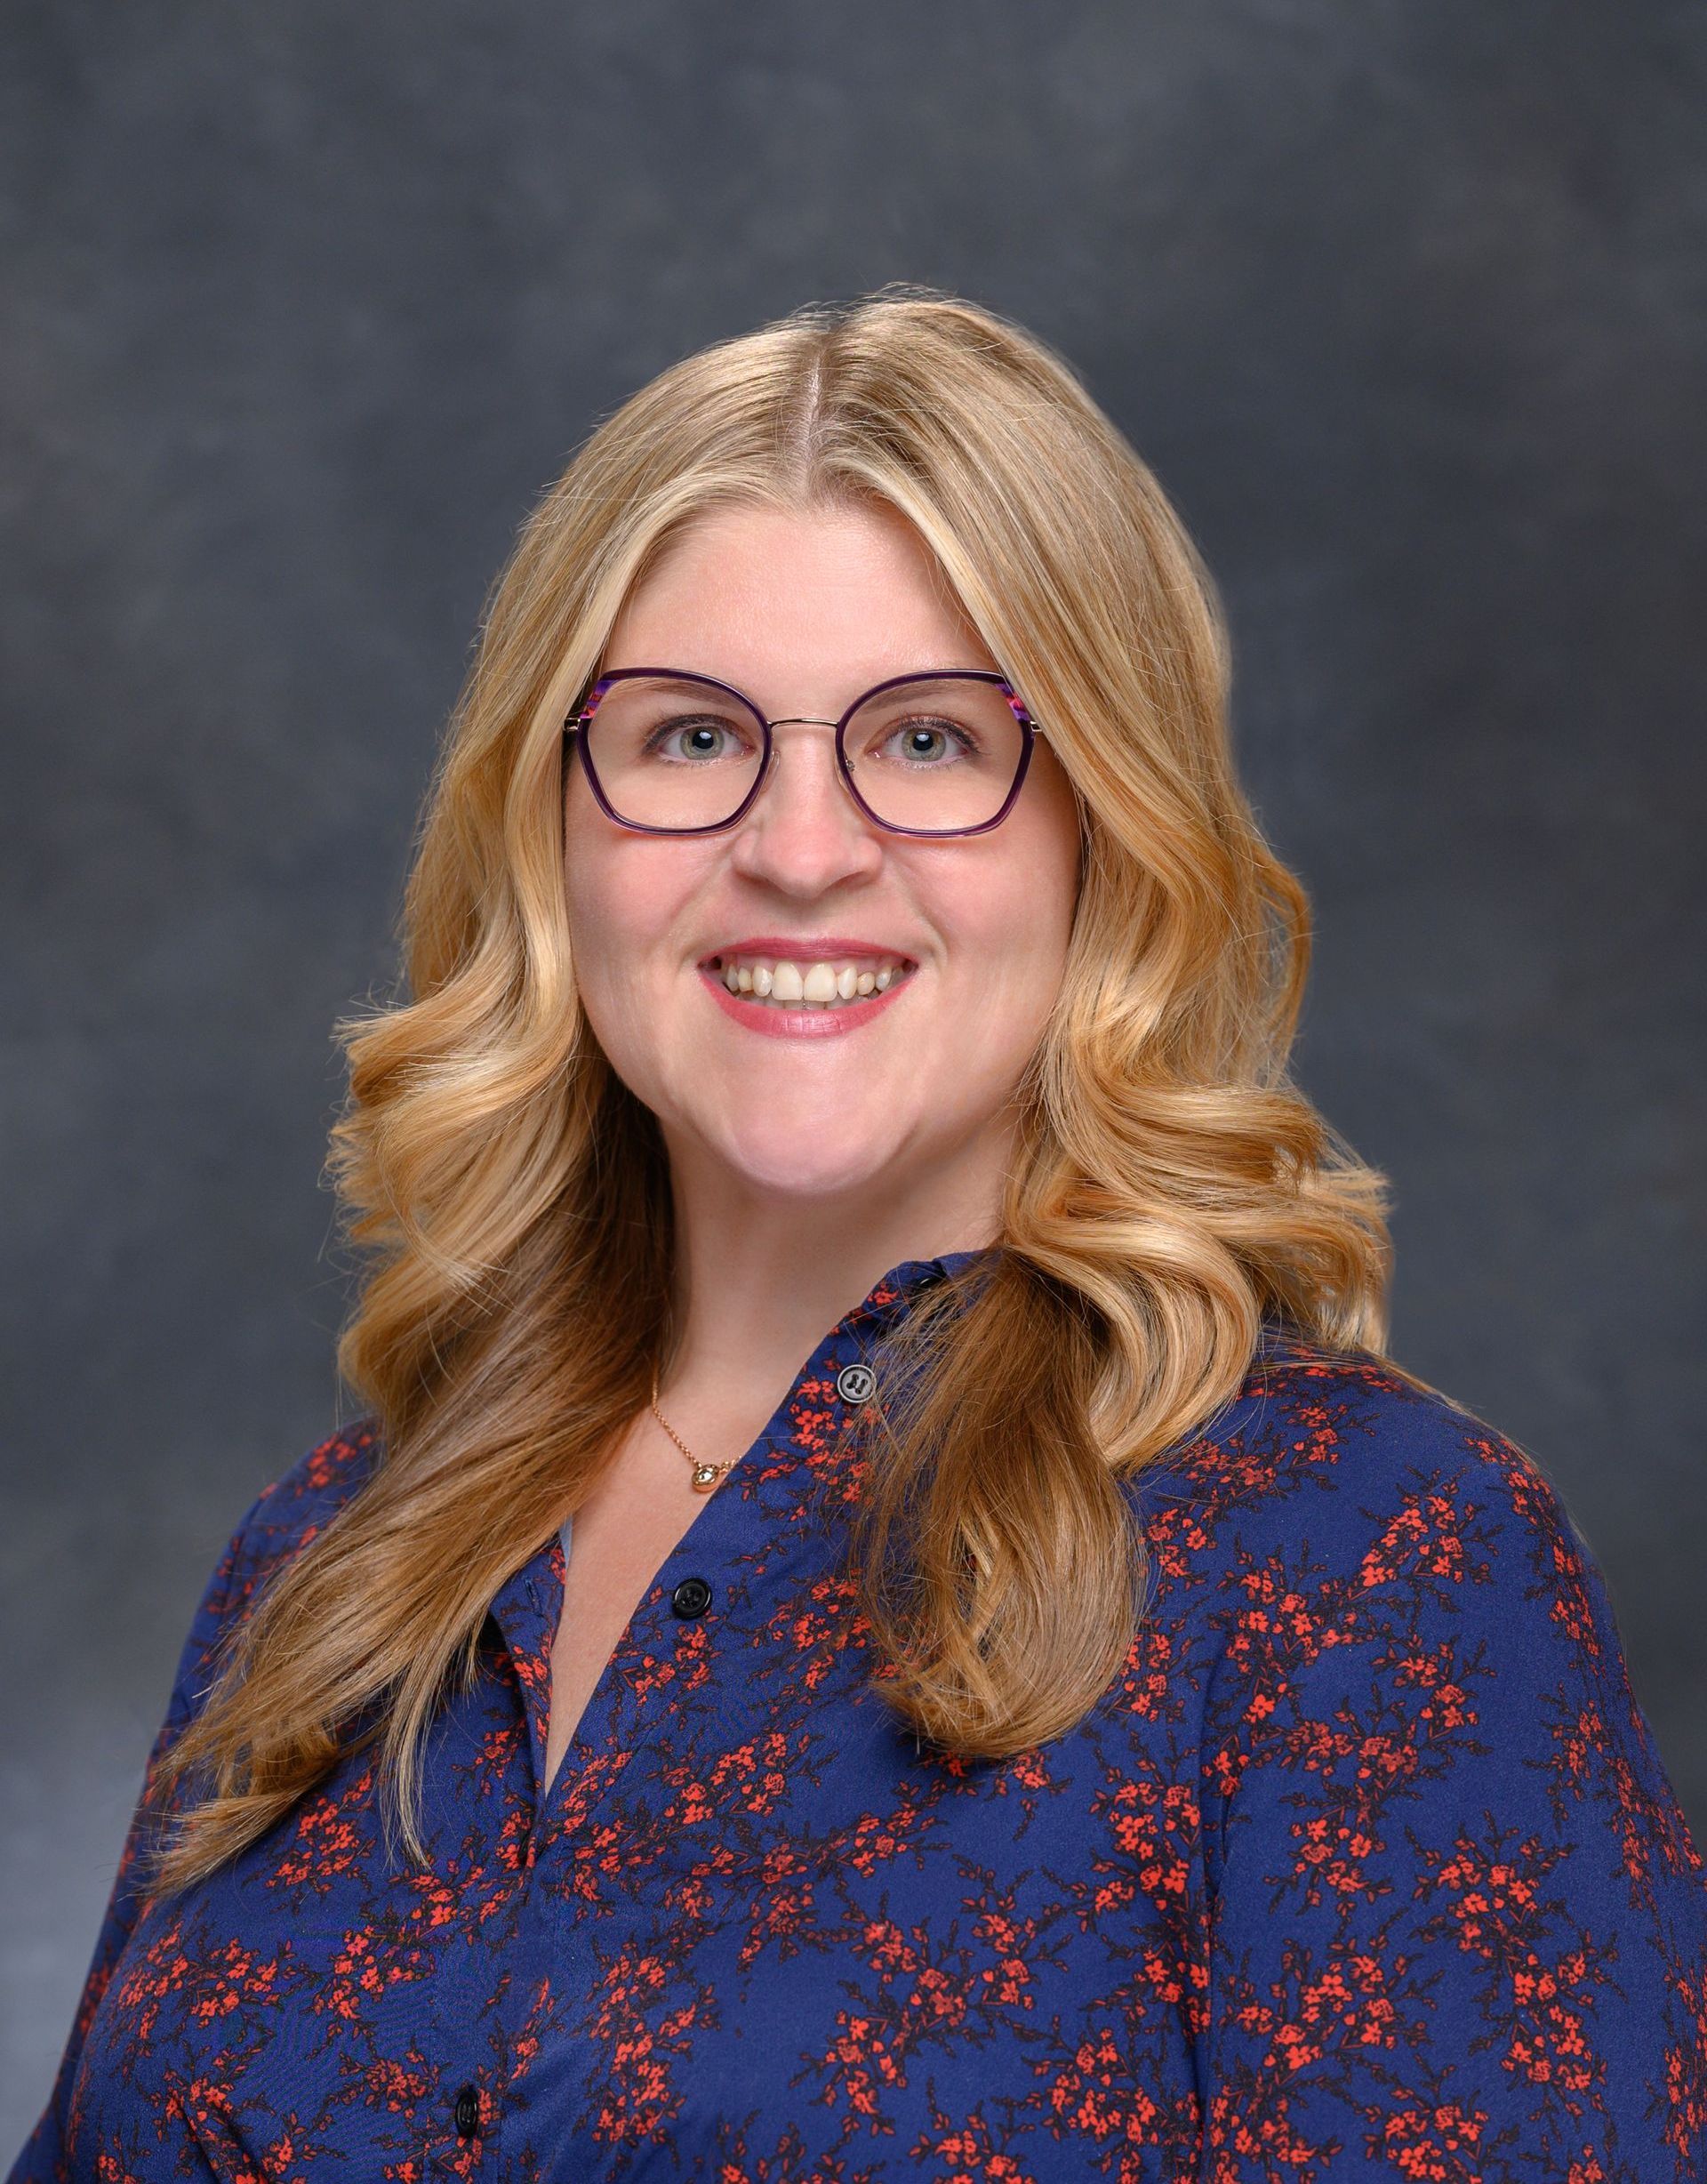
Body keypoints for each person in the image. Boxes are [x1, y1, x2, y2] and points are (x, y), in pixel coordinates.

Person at [14, 287, 1706, 2182]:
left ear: (1102, 827)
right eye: (681, 739)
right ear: (553, 834)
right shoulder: (327, 1566)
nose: (800, 846)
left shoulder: (1367, 1565)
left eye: (923, 741)